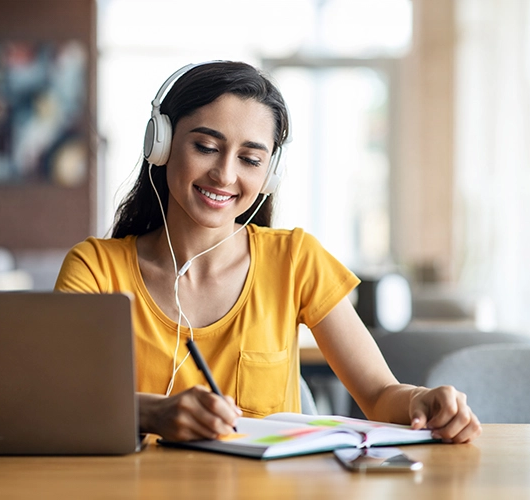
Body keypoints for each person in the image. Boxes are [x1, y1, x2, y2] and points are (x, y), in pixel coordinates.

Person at [55, 61, 481, 444]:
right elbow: (54, 400)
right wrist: (152, 413)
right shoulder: (95, 269)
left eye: (250, 159)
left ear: (269, 174)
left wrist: (423, 401)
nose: (224, 174)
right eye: (205, 147)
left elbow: (378, 394)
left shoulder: (295, 259)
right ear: (160, 144)